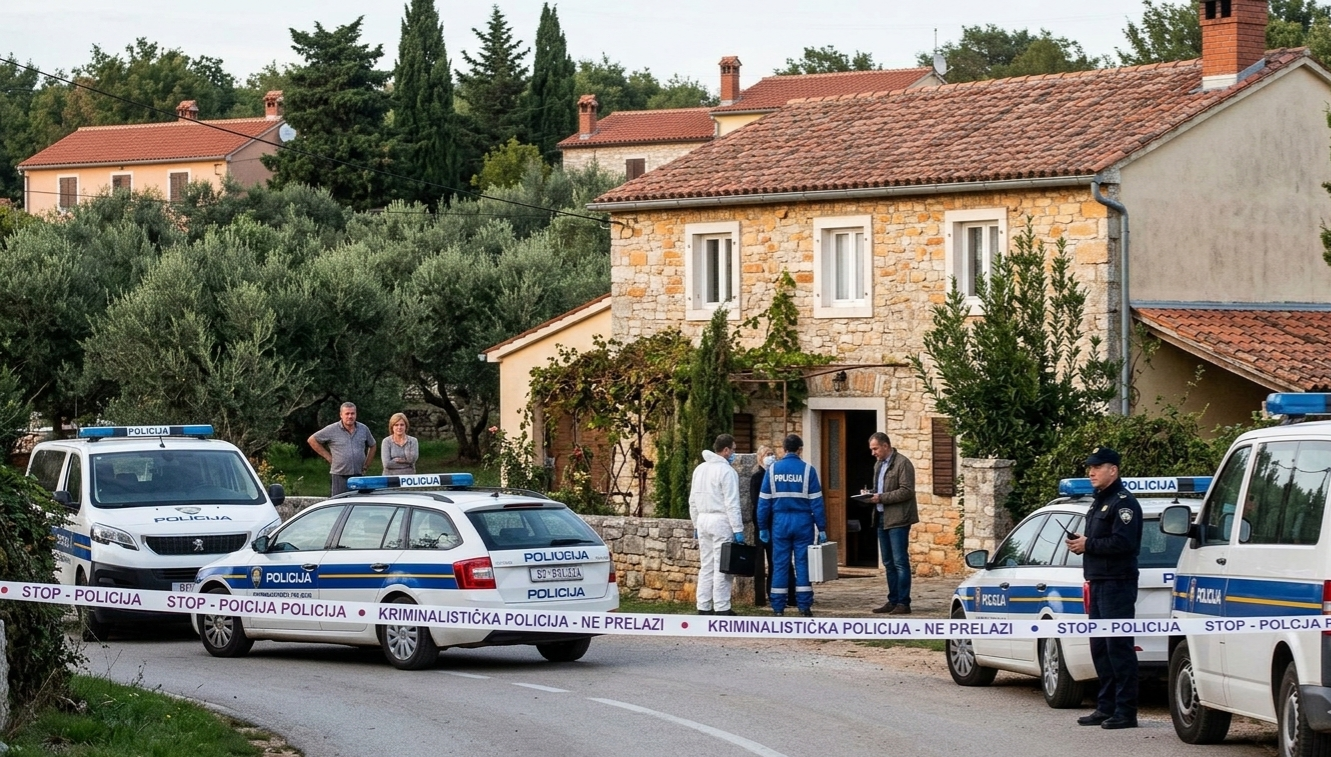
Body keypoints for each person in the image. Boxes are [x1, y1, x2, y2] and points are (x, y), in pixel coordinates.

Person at [1066, 446, 1143, 730]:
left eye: (1097, 467)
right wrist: (1082, 543)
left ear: (1114, 470)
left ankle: (1126, 711)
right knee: (1100, 648)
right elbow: (1101, 540)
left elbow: (1125, 543)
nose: (1091, 472)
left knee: (1118, 648)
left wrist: (1089, 544)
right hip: (1098, 582)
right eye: (1090, 467)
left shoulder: (1124, 503)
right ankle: (1106, 706)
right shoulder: (1099, 502)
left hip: (1117, 584)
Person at [757, 434, 827, 617]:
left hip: (780, 522)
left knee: (780, 564)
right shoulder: (808, 470)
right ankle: (804, 606)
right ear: (800, 450)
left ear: (784, 449)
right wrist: (822, 527)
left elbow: (763, 503)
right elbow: (817, 503)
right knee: (803, 563)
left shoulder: (772, 470)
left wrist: (763, 527)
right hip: (803, 522)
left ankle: (778, 608)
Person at [689, 434, 745, 616]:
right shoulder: (727, 472)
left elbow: (693, 500)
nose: (734, 453)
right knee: (723, 566)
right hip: (720, 520)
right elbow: (732, 503)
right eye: (733, 449)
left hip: (703, 520)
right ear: (726, 450)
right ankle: (722, 607)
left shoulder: (700, 469)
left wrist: (695, 524)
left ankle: (703, 605)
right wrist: (738, 529)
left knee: (706, 565)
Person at [867, 432, 918, 615]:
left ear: (885, 446)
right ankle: (893, 600)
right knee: (888, 562)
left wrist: (881, 497)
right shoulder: (878, 465)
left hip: (899, 519)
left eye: (875, 449)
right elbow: (879, 489)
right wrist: (869, 494)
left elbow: (907, 491)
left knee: (900, 561)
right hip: (882, 517)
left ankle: (904, 602)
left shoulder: (903, 463)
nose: (873, 453)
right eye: (872, 449)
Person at [308, 402, 376, 496]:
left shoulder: (363, 429)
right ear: (341, 415)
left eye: (352, 413)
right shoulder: (332, 429)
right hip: (340, 475)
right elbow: (312, 440)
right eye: (347, 414)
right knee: (339, 501)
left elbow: (373, 445)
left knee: (358, 501)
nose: (350, 416)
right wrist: (328, 457)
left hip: (358, 475)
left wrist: (366, 464)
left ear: (356, 414)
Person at [747, 445, 777, 606]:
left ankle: (773, 593)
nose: (771, 457)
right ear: (760, 458)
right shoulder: (757, 477)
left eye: (772, 454)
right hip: (760, 523)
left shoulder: (775, 476)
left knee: (774, 561)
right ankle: (759, 598)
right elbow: (756, 501)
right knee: (759, 562)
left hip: (774, 523)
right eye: (767, 454)